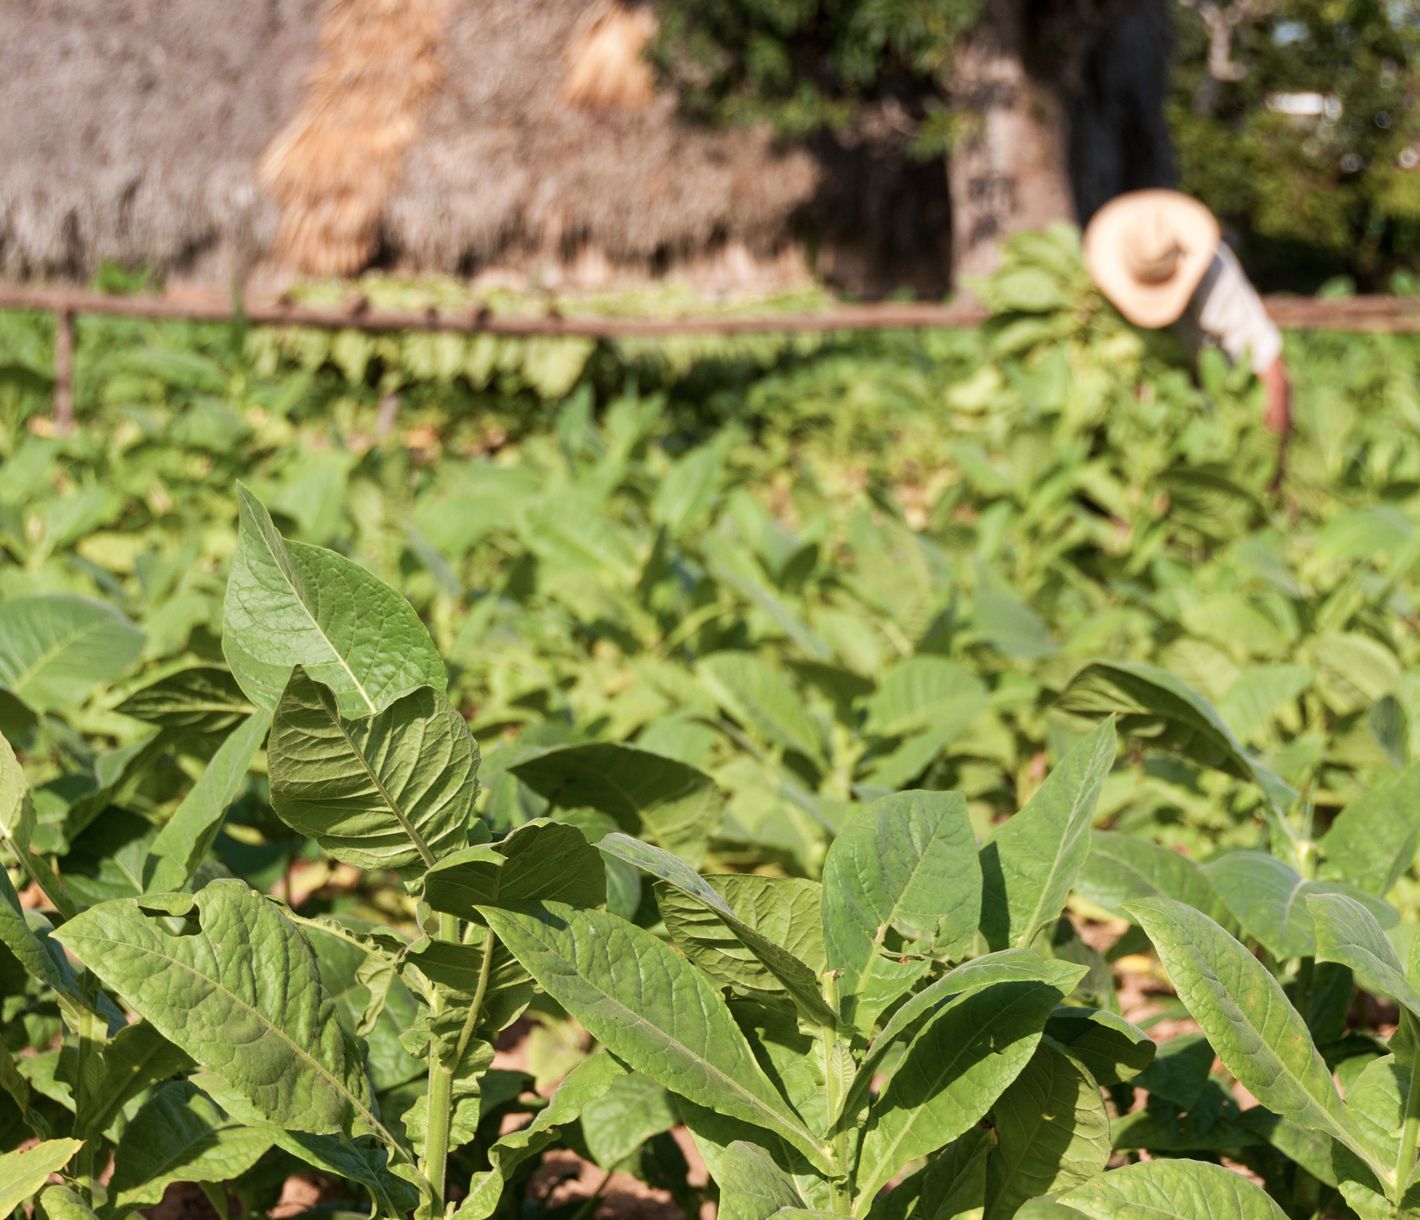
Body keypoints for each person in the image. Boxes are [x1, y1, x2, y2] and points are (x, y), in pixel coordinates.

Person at [1083, 189, 1292, 438]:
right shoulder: (1102, 280)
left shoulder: (1214, 276)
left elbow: (1270, 368)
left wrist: (1272, 449)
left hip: (1213, 401)